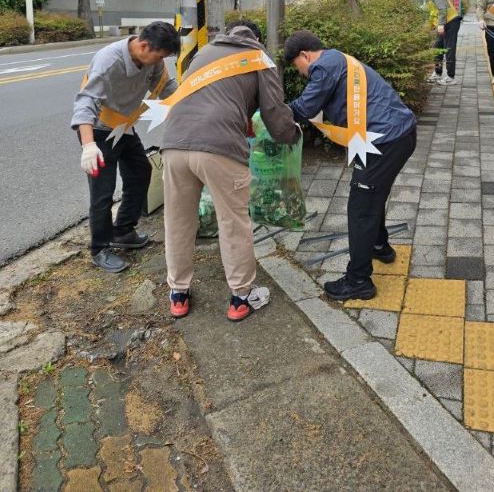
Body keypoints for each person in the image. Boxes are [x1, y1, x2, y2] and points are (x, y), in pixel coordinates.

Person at [160, 21, 300, 321]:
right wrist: (293, 135)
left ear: (227, 33)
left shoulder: (205, 52)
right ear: (257, 39)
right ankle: (240, 297)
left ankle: (178, 293)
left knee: (178, 221)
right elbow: (275, 114)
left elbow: (206, 97)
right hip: (219, 147)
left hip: (173, 144)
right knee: (233, 222)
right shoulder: (259, 57)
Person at [283, 30, 417, 301]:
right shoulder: (338, 59)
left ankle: (358, 281)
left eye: (298, 68)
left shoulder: (324, 66)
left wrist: (271, 114)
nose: (301, 74)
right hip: (395, 135)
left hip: (385, 140)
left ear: (304, 55)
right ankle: (379, 245)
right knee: (371, 195)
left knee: (360, 206)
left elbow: (304, 108)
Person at [71, 21, 180, 273]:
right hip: (98, 130)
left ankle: (122, 231)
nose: (159, 62)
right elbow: (85, 102)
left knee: (140, 171)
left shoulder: (153, 60)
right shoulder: (109, 61)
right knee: (103, 192)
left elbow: (164, 87)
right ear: (143, 45)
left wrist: (189, 100)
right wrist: (88, 146)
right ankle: (99, 249)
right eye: (159, 56)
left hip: (123, 127)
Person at [410, 0, 462, 85]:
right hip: (443, 24)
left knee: (449, 49)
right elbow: (433, 14)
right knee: (437, 48)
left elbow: (442, 8)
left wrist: (441, 24)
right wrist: (427, 28)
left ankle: (450, 77)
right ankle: (437, 73)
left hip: (451, 22)